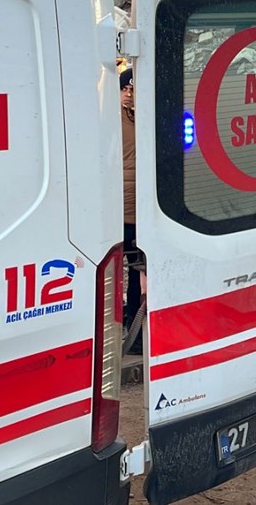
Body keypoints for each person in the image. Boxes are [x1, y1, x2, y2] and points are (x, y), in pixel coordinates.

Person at [120, 69, 143, 352]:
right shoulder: (114, 120)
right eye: (126, 88)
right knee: (122, 270)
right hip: (123, 209)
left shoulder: (144, 118)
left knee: (138, 271)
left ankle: (135, 332)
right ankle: (124, 328)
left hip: (141, 209)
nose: (129, 94)